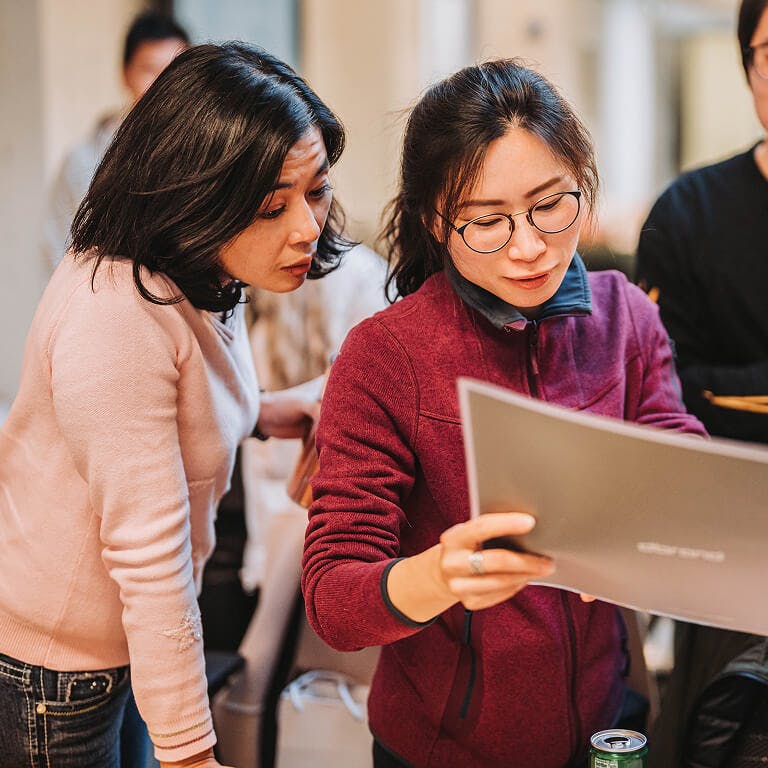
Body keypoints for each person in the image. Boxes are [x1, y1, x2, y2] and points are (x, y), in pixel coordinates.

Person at [301, 59, 706, 768]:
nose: (528, 247)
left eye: (551, 205)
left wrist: (655, 523)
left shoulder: (626, 318)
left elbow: (679, 465)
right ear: (436, 220)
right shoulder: (386, 355)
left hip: (607, 723)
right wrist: (438, 576)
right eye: (487, 221)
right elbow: (334, 597)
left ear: (582, 180)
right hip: (442, 747)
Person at [0, 42, 350, 768]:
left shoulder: (200, 268)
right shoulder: (114, 318)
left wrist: (265, 414)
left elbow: (176, 398)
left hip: (121, 642)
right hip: (60, 665)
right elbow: (151, 566)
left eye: (316, 191)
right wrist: (191, 756)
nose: (306, 228)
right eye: (271, 206)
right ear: (197, 197)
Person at [635, 1, 768, 764]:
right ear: (748, 65)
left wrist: (733, 390)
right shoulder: (688, 214)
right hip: (726, 548)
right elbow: (668, 397)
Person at [42, 11, 189, 272]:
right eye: (150, 69)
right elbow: (58, 248)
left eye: (174, 70)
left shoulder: (205, 154)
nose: (163, 83)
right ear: (125, 73)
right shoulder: (84, 160)